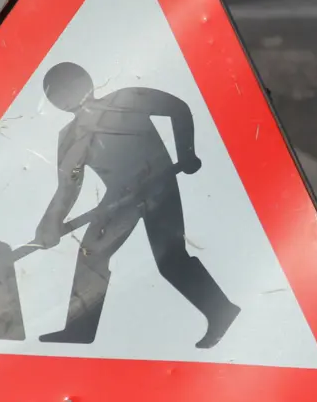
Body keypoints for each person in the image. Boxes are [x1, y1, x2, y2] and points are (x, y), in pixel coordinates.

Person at [34, 62, 240, 349]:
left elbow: (178, 108)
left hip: (158, 184)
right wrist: (50, 224)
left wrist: (186, 152)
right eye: (55, 93)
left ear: (86, 82)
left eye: (67, 86)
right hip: (118, 200)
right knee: (90, 255)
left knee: (170, 259)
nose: (63, 95)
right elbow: (68, 186)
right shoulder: (68, 137)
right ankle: (79, 329)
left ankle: (221, 310)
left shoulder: (126, 99)